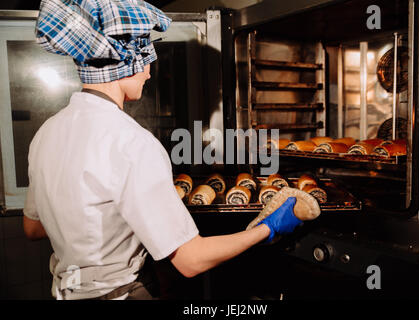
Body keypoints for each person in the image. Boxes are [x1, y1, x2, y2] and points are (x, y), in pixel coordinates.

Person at [23, 0, 308, 300]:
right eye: (146, 60)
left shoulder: (47, 132)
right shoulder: (133, 143)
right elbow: (191, 261)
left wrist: (114, 217)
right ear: (127, 61)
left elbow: (34, 227)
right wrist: (268, 228)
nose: (148, 72)